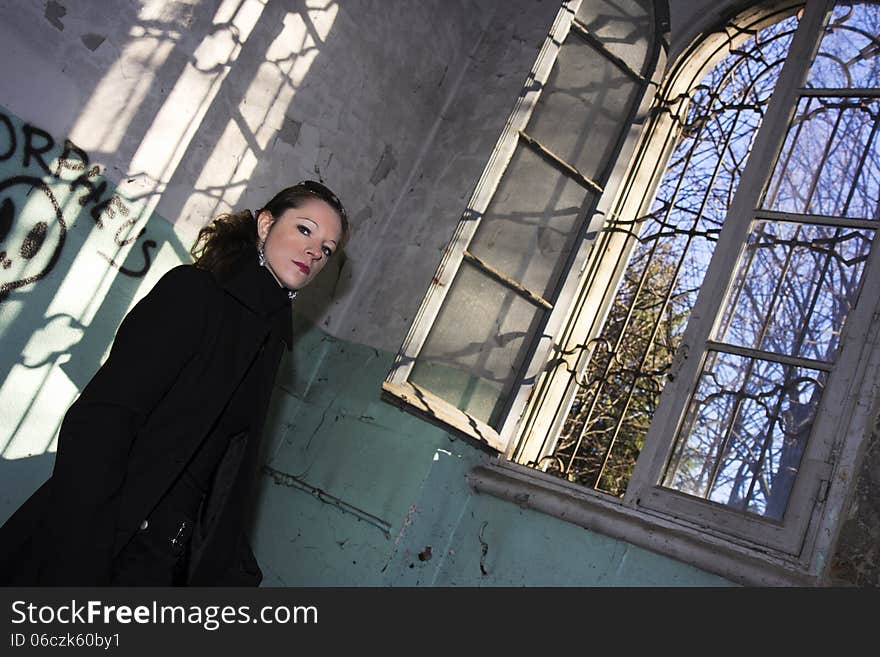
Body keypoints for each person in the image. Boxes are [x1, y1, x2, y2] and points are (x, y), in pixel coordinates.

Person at [0, 180, 348, 586]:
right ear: (265, 224)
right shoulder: (195, 293)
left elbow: (219, 471)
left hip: (157, 560)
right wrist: (83, 563)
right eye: (305, 230)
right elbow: (100, 422)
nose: (314, 251)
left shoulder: (268, 340)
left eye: (326, 249)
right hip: (90, 545)